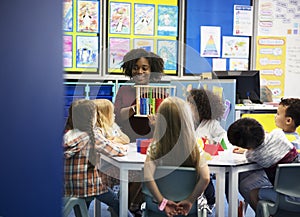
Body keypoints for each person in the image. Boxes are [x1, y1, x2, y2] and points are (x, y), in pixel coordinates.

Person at [63, 99, 133, 217]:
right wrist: (123, 148)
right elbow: (116, 151)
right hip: (86, 186)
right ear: (92, 118)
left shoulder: (68, 134)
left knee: (86, 199)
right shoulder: (92, 135)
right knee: (116, 201)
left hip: (68, 186)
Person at [144, 97, 210, 216]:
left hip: (157, 207)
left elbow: (147, 176)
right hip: (189, 208)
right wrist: (189, 201)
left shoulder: (154, 148)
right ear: (186, 119)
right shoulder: (195, 148)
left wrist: (162, 202)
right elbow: (205, 178)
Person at [227, 117, 299, 211]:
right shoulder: (278, 133)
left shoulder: (255, 156)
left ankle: (265, 213)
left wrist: (246, 151)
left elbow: (252, 154)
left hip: (287, 195)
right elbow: (269, 142)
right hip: (297, 185)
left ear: (247, 147)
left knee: (253, 193)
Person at [187, 88, 231, 210]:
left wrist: (214, 143)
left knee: (204, 177)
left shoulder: (211, 123)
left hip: (205, 160)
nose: (187, 105)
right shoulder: (185, 121)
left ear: (200, 107)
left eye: (191, 103)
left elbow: (224, 137)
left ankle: (211, 201)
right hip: (188, 160)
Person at [114, 48, 164, 142]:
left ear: (152, 70)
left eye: (144, 68)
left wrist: (157, 124)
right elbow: (117, 118)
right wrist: (134, 108)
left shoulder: (159, 94)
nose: (140, 72)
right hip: (127, 143)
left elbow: (167, 123)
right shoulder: (124, 91)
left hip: (152, 143)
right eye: (135, 68)